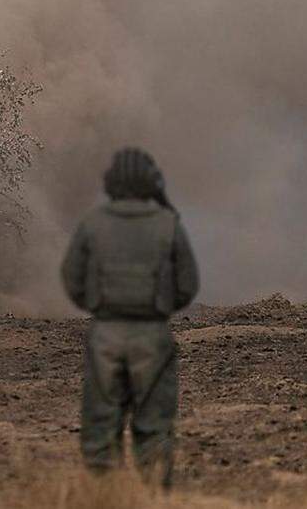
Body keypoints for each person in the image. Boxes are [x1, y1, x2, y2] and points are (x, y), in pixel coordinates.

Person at [60, 147, 199, 487]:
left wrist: (100, 308)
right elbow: (187, 285)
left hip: (105, 333)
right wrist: (157, 309)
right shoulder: (168, 224)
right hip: (153, 334)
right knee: (154, 424)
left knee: (100, 422)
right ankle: (151, 496)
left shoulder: (93, 224)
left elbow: (71, 279)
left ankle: (106, 497)